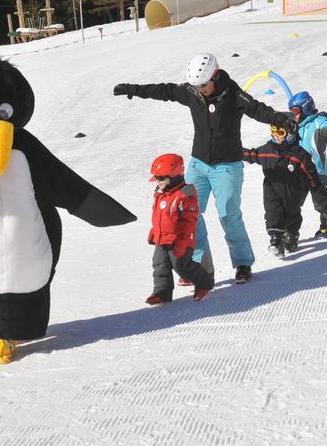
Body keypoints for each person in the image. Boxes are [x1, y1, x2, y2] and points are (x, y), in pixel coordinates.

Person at [114, 53, 297, 283]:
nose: (200, 89)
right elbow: (166, 91)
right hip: (199, 165)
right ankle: (199, 268)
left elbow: (258, 110)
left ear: (215, 75)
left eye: (204, 85)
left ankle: (242, 263)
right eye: (196, 86)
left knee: (228, 215)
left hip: (227, 166)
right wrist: (135, 89)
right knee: (189, 214)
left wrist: (281, 120)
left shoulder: (232, 93)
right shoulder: (192, 92)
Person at [242, 113, 320, 258]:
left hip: (293, 190)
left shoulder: (299, 154)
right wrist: (236, 152)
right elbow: (253, 155)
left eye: (280, 132)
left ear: (290, 133)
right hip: (271, 188)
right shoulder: (268, 149)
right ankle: (276, 240)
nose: (276, 135)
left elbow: (311, 174)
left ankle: (292, 234)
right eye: (273, 131)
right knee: (273, 212)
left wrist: (318, 190)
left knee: (291, 212)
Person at [144, 153, 214, 304]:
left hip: (180, 240)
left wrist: (183, 242)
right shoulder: (160, 193)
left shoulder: (185, 194)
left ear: (174, 176)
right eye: (156, 177)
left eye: (161, 178)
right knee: (159, 265)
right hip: (162, 238)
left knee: (182, 266)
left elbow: (189, 222)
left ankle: (204, 282)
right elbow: (159, 215)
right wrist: (154, 231)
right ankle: (162, 293)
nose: (157, 181)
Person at [288, 91, 327, 237]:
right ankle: (290, 232)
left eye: (295, 111)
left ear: (305, 108)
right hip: (299, 172)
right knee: (293, 202)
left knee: (321, 201)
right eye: (291, 112)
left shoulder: (318, 121)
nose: (294, 115)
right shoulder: (295, 126)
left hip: (317, 172)